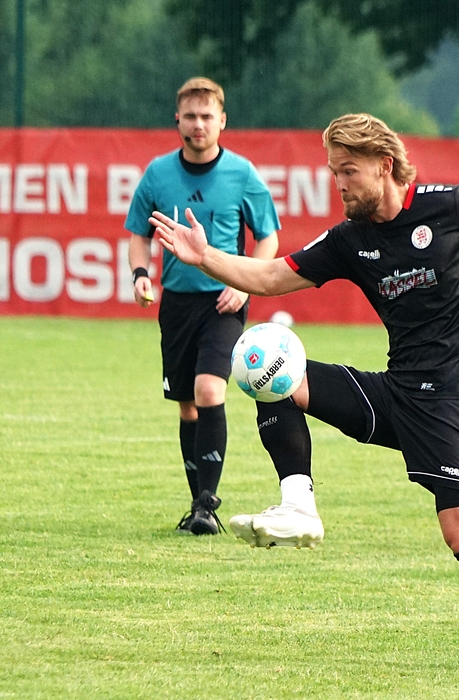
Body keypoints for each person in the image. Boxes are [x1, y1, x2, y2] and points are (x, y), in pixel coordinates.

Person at [150, 113, 459, 671]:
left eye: (348, 171)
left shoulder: (453, 207)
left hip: (453, 405)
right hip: (396, 394)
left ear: (385, 165)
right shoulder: (351, 239)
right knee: (267, 364)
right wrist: (205, 256)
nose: (339, 183)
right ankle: (299, 506)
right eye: (334, 172)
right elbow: (273, 277)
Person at [126, 77, 280, 535]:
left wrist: (245, 285)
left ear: (222, 121)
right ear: (178, 120)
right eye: (191, 116)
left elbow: (268, 237)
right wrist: (140, 274)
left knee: (210, 391)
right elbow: (138, 234)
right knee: (187, 407)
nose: (199, 124)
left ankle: (207, 506)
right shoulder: (157, 174)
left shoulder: (242, 174)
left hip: (223, 303)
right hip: (176, 304)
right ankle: (197, 506)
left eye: (207, 116)